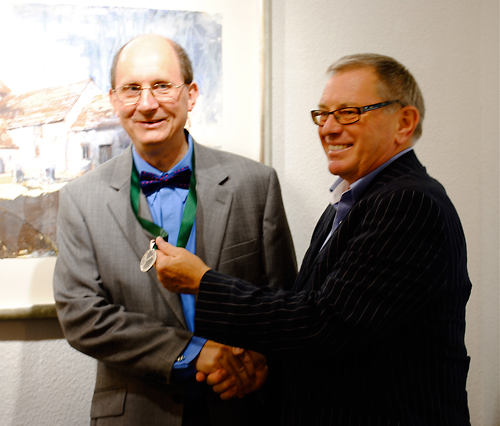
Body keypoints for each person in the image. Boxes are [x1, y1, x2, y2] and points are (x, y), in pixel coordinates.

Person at [156, 53, 472, 425]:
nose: (329, 128)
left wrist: (203, 283)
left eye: (349, 112)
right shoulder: (350, 201)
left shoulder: (408, 203)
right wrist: (269, 368)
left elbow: (325, 323)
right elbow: (330, 326)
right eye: (323, 114)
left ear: (404, 122)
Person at [53, 34, 297, 426]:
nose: (147, 104)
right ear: (115, 100)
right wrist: (194, 352)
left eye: (162, 86)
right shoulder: (81, 199)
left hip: (242, 405)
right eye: (132, 89)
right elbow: (82, 316)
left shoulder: (255, 184)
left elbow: (284, 302)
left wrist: (262, 362)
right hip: (138, 412)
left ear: (192, 94)